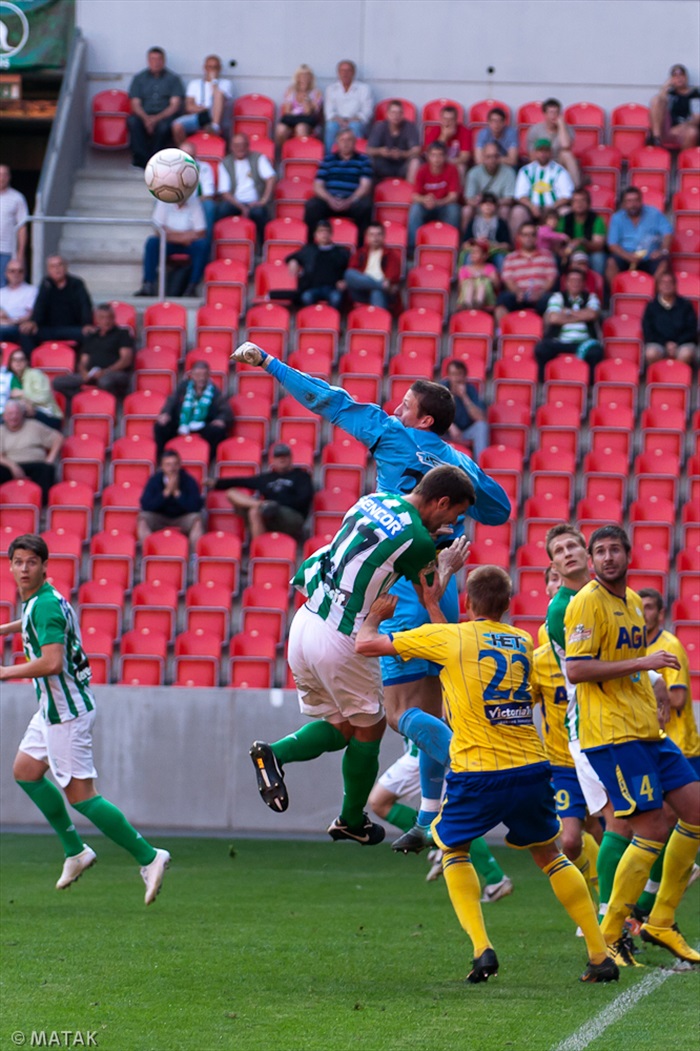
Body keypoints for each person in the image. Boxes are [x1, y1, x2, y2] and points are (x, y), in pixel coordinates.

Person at [230, 340, 510, 854]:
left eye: (405, 404)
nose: (395, 408)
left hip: (396, 587)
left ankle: (485, 782)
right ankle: (428, 817)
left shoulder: (387, 441)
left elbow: (328, 400)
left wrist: (269, 363)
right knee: (431, 705)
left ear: (422, 420)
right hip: (438, 582)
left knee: (398, 714)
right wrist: (464, 475)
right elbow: (498, 510)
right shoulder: (457, 462)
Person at [356, 565, 618, 985]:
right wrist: (430, 606)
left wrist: (375, 616)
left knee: (454, 850)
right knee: (549, 853)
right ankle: (599, 954)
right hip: (531, 767)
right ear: (508, 604)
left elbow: (366, 646)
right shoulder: (521, 639)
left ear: (467, 603)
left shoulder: (453, 637)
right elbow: (461, 652)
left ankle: (482, 950)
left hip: (478, 770)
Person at [249, 465, 475, 845]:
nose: (453, 522)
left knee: (342, 729)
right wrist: (448, 565)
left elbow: (383, 546)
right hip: (342, 636)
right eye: (453, 514)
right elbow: (430, 596)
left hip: (305, 622)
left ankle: (274, 753)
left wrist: (425, 535)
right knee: (370, 728)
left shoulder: (371, 500)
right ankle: (352, 819)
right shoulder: (419, 543)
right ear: (441, 502)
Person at [0, 534, 170, 903]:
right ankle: (75, 851)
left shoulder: (43, 605)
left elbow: (51, 662)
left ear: (45, 565)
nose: (24, 569)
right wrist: (5, 629)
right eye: (18, 562)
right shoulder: (42, 599)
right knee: (26, 772)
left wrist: (4, 672)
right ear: (10, 565)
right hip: (52, 710)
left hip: (66, 713)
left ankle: (149, 856)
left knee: (81, 796)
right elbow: (32, 620)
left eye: (31, 562)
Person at [565, 524, 700, 966]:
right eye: (599, 551)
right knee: (650, 827)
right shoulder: (587, 601)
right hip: (613, 736)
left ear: (628, 554)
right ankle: (607, 936)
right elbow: (578, 670)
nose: (607, 557)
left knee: (695, 812)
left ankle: (660, 920)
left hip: (647, 731)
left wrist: (654, 687)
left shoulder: (630, 604)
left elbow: (630, 670)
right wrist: (645, 663)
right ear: (591, 560)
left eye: (614, 550)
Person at [368, 738, 514, 897]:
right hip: (425, 749)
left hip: (432, 750)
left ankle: (493, 876)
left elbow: (439, 713)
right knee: (448, 818)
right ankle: (492, 876)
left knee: (380, 802)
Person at [639, 588, 699, 777]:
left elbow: (678, 698)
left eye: (649, 608)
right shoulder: (635, 648)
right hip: (653, 744)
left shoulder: (670, 645)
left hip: (681, 746)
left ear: (661, 613)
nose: (644, 615)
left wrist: (639, 690)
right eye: (639, 609)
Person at [212, 441, 314, 540]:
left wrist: (277, 504)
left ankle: (259, 548)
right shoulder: (267, 478)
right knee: (233, 493)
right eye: (278, 456)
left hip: (291, 515)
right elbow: (242, 481)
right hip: (266, 511)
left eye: (285, 456)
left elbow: (304, 498)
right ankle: (261, 547)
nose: (282, 459)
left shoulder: (301, 476)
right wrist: (216, 483)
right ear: (272, 460)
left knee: (256, 511)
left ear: (291, 458)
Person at [53, 303, 134, 407]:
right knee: (58, 382)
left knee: (105, 381)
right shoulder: (91, 337)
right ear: (96, 319)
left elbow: (126, 359)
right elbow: (83, 361)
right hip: (91, 374)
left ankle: (105, 405)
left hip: (114, 373)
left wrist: (106, 371)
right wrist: (84, 372)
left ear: (114, 318)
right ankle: (85, 400)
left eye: (109, 317)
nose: (106, 321)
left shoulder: (122, 334)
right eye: (102, 318)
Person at [534, 268, 603, 383]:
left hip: (584, 342)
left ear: (583, 283)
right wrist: (581, 314)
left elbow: (592, 315)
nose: (575, 283)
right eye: (572, 280)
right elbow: (553, 318)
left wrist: (567, 312)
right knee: (541, 349)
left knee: (596, 352)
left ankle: (588, 387)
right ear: (566, 283)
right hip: (560, 341)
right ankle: (544, 385)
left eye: (578, 281)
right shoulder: (557, 297)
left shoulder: (591, 297)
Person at [153, 361, 232, 459]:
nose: (201, 378)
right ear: (192, 375)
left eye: (204, 375)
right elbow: (171, 402)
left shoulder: (215, 392)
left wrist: (221, 419)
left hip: (203, 425)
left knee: (218, 430)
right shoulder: (183, 387)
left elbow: (225, 410)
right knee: (160, 426)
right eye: (198, 375)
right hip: (182, 423)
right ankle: (162, 458)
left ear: (208, 375)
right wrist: (165, 413)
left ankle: (208, 460)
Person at [304, 129, 374, 242]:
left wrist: (350, 200)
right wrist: (330, 199)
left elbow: (365, 186)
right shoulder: (327, 160)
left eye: (349, 140)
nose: (346, 143)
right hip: (330, 201)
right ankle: (311, 246)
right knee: (312, 205)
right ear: (337, 142)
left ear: (355, 142)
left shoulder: (363, 160)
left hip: (352, 202)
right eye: (342, 140)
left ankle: (361, 249)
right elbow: (318, 185)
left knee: (365, 206)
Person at [135, 193, 209, 298]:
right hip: (170, 242)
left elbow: (201, 232)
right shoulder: (163, 201)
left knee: (202, 245)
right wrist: (183, 237)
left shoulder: (194, 202)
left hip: (187, 244)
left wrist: (171, 233)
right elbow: (158, 230)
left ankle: (192, 287)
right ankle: (148, 285)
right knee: (152, 243)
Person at [214, 132, 277, 245]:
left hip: (255, 202)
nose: (240, 148)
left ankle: (263, 249)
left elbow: (271, 178)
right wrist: (242, 207)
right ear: (231, 147)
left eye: (243, 145)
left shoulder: (259, 158)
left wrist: (263, 200)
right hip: (234, 202)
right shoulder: (225, 163)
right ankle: (222, 246)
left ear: (248, 146)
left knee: (259, 213)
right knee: (222, 210)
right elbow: (224, 192)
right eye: (237, 145)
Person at [127, 46, 185, 169]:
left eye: (159, 59)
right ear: (148, 61)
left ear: (164, 61)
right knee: (132, 121)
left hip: (165, 115)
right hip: (144, 115)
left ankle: (156, 160)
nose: (156, 62)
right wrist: (146, 119)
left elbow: (175, 105)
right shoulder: (139, 78)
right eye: (152, 59)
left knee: (164, 127)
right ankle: (141, 160)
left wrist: (155, 119)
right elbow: (135, 104)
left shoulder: (173, 79)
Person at [20, 256, 94, 350]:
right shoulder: (46, 284)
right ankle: (32, 363)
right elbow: (40, 305)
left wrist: (87, 323)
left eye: (60, 265)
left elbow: (85, 305)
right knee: (25, 333)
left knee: (90, 334)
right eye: (53, 266)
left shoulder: (76, 283)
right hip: (50, 329)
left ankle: (80, 364)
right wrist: (34, 322)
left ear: (66, 267)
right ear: (48, 270)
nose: (57, 269)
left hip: (73, 328)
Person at [138, 449, 204, 553]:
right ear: (162, 466)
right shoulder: (154, 480)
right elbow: (146, 505)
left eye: (175, 464)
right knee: (143, 518)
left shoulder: (188, 480)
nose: (172, 468)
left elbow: (196, 506)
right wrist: (166, 493)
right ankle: (148, 554)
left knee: (197, 519)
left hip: (182, 517)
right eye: (168, 465)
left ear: (179, 465)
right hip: (160, 517)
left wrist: (178, 494)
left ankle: (193, 557)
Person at [494, 222, 558, 325]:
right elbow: (508, 279)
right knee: (503, 299)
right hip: (518, 296)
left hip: (540, 296)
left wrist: (540, 293)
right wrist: (518, 292)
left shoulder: (547, 255)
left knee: (552, 301)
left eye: (532, 235)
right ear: (519, 237)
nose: (529, 238)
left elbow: (551, 279)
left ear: (537, 238)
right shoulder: (511, 257)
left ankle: (545, 337)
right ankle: (505, 333)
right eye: (525, 235)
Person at [606, 186, 673, 284]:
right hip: (626, 256)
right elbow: (612, 244)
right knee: (611, 263)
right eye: (629, 201)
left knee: (663, 263)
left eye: (636, 200)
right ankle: (615, 295)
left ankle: (652, 294)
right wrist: (628, 256)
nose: (633, 204)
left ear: (641, 201)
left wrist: (663, 250)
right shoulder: (617, 218)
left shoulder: (654, 213)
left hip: (649, 257)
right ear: (623, 204)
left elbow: (668, 232)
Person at [0, 401, 62, 502]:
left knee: (47, 469)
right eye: (10, 414)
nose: (13, 417)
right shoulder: (1, 431)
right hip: (12, 465)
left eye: (16, 413)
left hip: (36, 464)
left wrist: (50, 459)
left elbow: (58, 438)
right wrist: (12, 466)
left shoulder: (34, 426)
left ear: (22, 414)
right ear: (4, 416)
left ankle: (42, 507)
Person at [511, 139, 575, 235]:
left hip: (554, 208)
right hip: (532, 208)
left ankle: (562, 244)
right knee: (518, 211)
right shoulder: (526, 171)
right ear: (535, 153)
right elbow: (520, 195)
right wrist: (531, 206)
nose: (543, 154)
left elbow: (566, 196)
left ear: (551, 153)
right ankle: (518, 244)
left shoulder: (560, 171)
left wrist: (552, 207)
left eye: (546, 151)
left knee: (566, 211)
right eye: (540, 151)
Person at [407, 141, 461, 253]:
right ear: (428, 156)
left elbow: (453, 196)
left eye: (440, 155)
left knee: (454, 209)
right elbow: (415, 196)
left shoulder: (452, 169)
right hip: (426, 205)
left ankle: (451, 245)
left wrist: (437, 202)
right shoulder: (422, 170)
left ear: (445, 156)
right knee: (415, 209)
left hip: (443, 205)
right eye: (433, 155)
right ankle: (412, 249)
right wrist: (425, 200)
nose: (437, 159)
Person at [285, 219, 349, 309]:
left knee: (336, 299)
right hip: (312, 287)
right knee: (306, 297)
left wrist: (345, 281)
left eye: (327, 231)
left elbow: (351, 268)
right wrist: (293, 261)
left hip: (333, 288)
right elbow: (291, 257)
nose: (324, 234)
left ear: (331, 234)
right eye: (321, 231)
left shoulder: (341, 252)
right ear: (315, 234)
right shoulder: (309, 250)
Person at [171, 54, 232, 146]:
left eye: (215, 67)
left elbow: (221, 99)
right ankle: (186, 150)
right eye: (209, 67)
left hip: (217, 117)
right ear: (204, 68)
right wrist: (202, 109)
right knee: (176, 125)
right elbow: (189, 106)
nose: (212, 70)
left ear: (220, 69)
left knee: (219, 94)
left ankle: (214, 127)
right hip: (200, 115)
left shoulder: (225, 83)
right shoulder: (195, 84)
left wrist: (213, 81)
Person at [641, 271, 698, 367]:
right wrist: (665, 344)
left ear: (675, 285)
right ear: (658, 286)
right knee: (651, 353)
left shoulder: (686, 305)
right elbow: (648, 330)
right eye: (663, 283)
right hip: (659, 343)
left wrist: (677, 343)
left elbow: (691, 329)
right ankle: (658, 378)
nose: (666, 285)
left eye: (670, 282)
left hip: (682, 343)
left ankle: (679, 379)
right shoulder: (651, 306)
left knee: (686, 353)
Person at [343, 221, 402, 310]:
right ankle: (379, 285)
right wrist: (381, 285)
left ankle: (377, 321)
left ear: (384, 236)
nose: (375, 238)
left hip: (384, 293)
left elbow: (392, 276)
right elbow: (352, 271)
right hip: (363, 290)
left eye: (378, 234)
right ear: (367, 237)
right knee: (349, 273)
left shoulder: (391, 255)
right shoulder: (360, 253)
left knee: (376, 292)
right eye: (372, 235)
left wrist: (387, 282)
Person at [442, 358, 489, 460]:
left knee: (481, 426)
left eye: (460, 374)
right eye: (454, 374)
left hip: (464, 432)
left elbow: (480, 418)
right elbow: (433, 414)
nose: (457, 379)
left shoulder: (470, 389)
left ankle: (480, 466)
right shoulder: (442, 389)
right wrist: (450, 426)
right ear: (448, 376)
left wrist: (464, 397)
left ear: (465, 376)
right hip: (444, 432)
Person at [6, 348, 63, 431]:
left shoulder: (36, 374)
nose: (18, 363)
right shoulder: (11, 379)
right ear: (10, 363)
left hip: (49, 416)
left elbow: (44, 397)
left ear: (26, 362)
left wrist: (22, 393)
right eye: (14, 360)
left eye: (21, 359)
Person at [526, 98, 580, 185]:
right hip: (541, 161)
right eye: (551, 112)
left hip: (559, 162)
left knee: (567, 154)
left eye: (557, 112)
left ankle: (576, 188)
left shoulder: (566, 129)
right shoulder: (535, 130)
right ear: (545, 114)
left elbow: (566, 146)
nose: (554, 115)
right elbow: (532, 156)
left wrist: (562, 126)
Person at [323, 60, 373, 153]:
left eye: (348, 70)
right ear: (338, 73)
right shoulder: (331, 89)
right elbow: (329, 112)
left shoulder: (364, 88)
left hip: (356, 121)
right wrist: (340, 121)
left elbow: (367, 111)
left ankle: (356, 159)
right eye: (342, 71)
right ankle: (330, 159)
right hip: (337, 121)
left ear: (354, 72)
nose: (345, 74)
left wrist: (351, 121)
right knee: (330, 126)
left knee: (355, 126)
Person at [463, 147, 517, 233]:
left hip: (498, 205)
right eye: (488, 157)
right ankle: (466, 241)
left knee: (505, 210)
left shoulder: (509, 172)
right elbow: (468, 199)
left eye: (495, 156)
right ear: (483, 158)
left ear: (499, 158)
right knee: (467, 210)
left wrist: (491, 204)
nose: (492, 160)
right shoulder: (473, 172)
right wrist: (480, 203)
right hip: (479, 206)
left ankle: (505, 241)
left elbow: (509, 199)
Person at [556, 187, 607, 277]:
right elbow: (556, 242)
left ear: (588, 203)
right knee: (555, 258)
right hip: (569, 253)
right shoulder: (564, 219)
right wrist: (562, 251)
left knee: (598, 258)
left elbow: (599, 245)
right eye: (575, 201)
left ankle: (598, 287)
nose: (579, 204)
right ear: (571, 204)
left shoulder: (597, 220)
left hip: (589, 253)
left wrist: (583, 242)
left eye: (582, 200)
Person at [366, 99, 421, 182]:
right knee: (368, 161)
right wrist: (380, 151)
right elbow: (369, 150)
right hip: (384, 163)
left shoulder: (410, 127)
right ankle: (372, 193)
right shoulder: (379, 127)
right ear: (387, 114)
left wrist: (403, 154)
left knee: (415, 161)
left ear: (403, 114)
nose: (396, 116)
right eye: (393, 113)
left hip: (403, 164)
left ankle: (410, 192)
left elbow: (417, 150)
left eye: (399, 113)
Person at [649, 63, 700, 149]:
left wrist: (683, 126)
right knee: (656, 99)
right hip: (668, 129)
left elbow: (697, 117)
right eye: (675, 76)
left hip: (686, 129)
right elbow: (658, 104)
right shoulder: (670, 94)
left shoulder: (694, 94)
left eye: (681, 75)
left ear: (686, 77)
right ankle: (656, 139)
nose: (679, 78)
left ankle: (684, 160)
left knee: (692, 132)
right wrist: (665, 87)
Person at [275, 64, 324, 150]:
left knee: (300, 128)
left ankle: (298, 153)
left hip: (309, 122)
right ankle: (286, 152)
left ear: (311, 78)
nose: (303, 78)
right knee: (280, 130)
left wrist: (306, 99)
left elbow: (308, 112)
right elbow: (287, 111)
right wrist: (296, 112)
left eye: (306, 76)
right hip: (292, 119)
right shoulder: (291, 90)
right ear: (297, 78)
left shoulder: (316, 93)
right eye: (301, 76)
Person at [461, 192, 512, 273]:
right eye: (485, 204)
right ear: (480, 206)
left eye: (491, 204)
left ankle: (500, 283)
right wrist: (477, 242)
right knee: (469, 256)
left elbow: (507, 245)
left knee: (500, 258)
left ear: (496, 207)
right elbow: (464, 244)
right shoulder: (473, 222)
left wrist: (492, 245)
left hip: (494, 251)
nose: (488, 206)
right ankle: (467, 281)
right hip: (476, 249)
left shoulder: (500, 222)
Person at [423, 105, 472, 179]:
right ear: (441, 119)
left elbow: (465, 157)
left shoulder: (464, 131)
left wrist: (448, 162)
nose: (447, 123)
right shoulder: (434, 130)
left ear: (456, 120)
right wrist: (444, 137)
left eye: (451, 119)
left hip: (454, 163)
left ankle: (457, 190)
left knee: (461, 167)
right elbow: (429, 154)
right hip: (436, 163)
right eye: (445, 119)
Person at [0, 167, 29, 286]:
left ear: (9, 177)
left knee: (4, 286)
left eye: (4, 174)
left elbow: (22, 227)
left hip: (7, 251)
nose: (1, 178)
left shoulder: (17, 198)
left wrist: (20, 254)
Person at [0, 258, 37, 347]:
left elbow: (30, 315)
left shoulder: (31, 290)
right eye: (12, 271)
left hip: (18, 328)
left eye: (20, 271)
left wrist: (12, 321)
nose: (16, 274)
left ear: (24, 274)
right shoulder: (1, 292)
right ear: (6, 273)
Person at [456, 239, 499, 313]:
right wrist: (472, 278)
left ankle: (478, 304)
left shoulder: (489, 268)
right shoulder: (464, 269)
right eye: (472, 252)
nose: (473, 254)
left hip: (486, 299)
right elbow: (460, 287)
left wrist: (483, 275)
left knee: (482, 283)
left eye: (476, 252)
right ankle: (468, 305)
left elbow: (497, 284)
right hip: (467, 296)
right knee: (469, 283)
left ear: (484, 255)